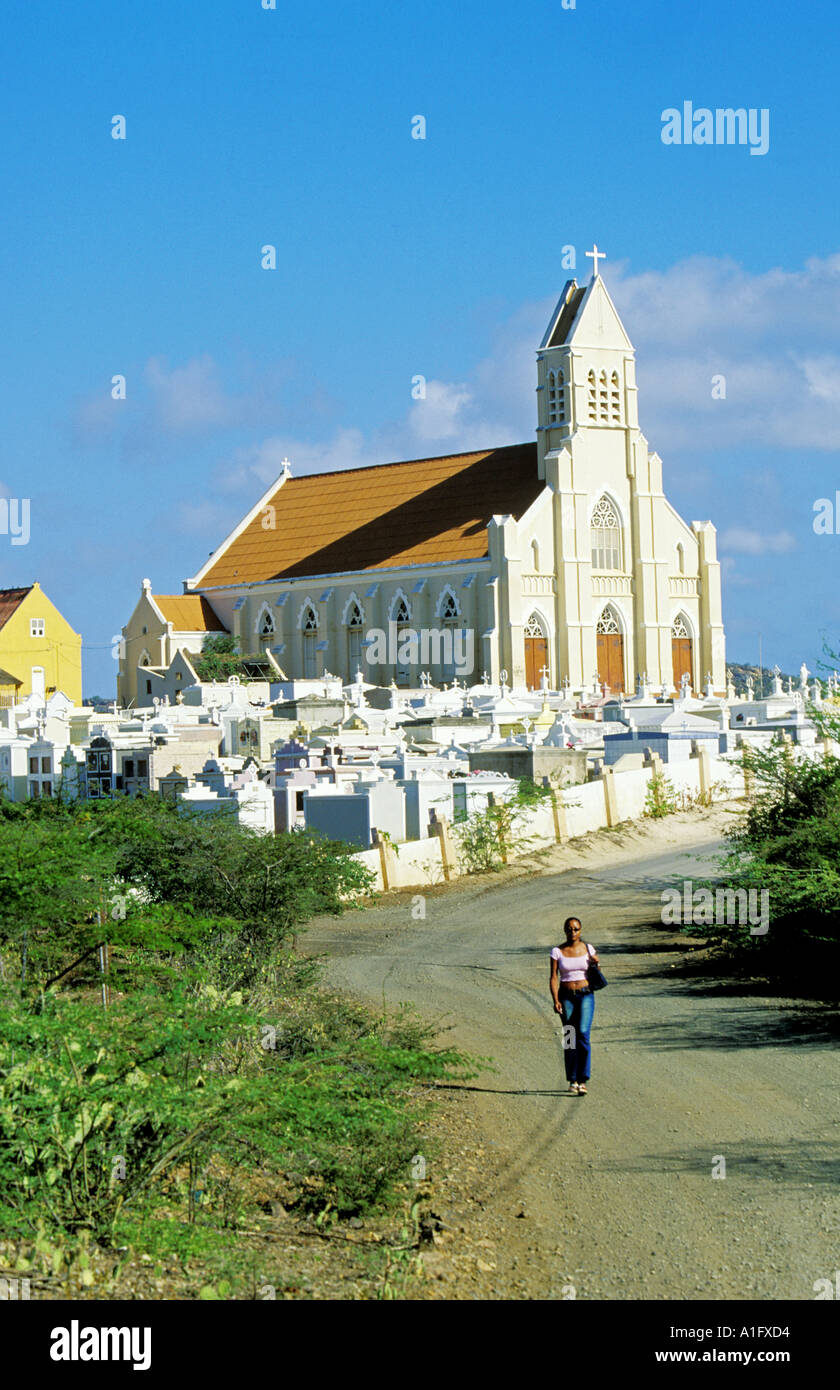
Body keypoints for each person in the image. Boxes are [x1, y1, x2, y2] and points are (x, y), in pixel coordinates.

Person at [549, 917, 600, 1094]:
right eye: (569, 929)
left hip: (585, 995)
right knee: (570, 1035)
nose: (572, 932)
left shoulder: (587, 948)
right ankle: (572, 1079)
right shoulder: (557, 951)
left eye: (576, 929)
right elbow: (554, 977)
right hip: (566, 996)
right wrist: (555, 999)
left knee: (583, 1033)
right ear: (564, 930)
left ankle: (583, 1079)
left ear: (580, 930)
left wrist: (596, 963)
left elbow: (596, 972)